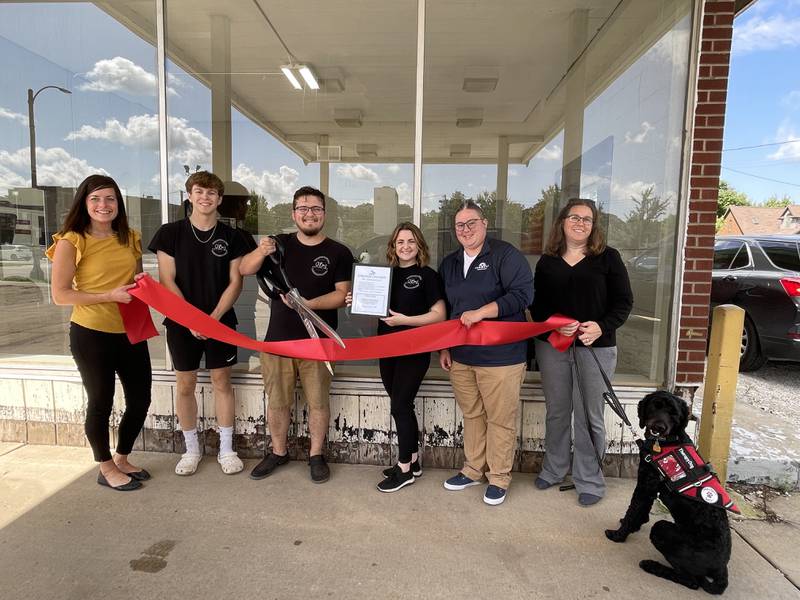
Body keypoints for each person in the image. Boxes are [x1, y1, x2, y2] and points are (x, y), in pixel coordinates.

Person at [240, 186, 353, 484]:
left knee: (318, 402)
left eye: (316, 209)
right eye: (303, 208)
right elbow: (244, 268)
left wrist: (308, 305)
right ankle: (278, 452)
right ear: (293, 214)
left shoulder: (339, 252)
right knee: (277, 401)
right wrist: (261, 250)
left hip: (319, 341)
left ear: (324, 215)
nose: (309, 214)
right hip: (278, 341)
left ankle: (316, 455)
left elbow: (342, 296)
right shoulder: (279, 244)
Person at [47, 174, 151, 491]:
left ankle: (121, 457)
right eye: (96, 199)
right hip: (91, 333)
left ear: (118, 204)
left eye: (110, 199)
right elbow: (60, 295)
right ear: (85, 203)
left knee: (140, 399)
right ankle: (104, 466)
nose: (103, 205)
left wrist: (145, 287)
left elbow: (134, 281)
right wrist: (108, 296)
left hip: (130, 329)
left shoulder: (130, 237)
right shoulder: (71, 241)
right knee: (101, 402)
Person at [531, 198, 632, 506]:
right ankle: (555, 467)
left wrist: (601, 326)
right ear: (563, 222)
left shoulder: (608, 258)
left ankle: (589, 478)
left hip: (595, 348)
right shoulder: (547, 262)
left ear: (593, 226)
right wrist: (551, 325)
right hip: (554, 347)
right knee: (558, 410)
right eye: (574, 217)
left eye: (587, 219)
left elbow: (624, 303)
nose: (580, 223)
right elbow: (537, 307)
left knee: (590, 415)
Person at [148, 171, 249, 477]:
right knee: (185, 384)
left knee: (222, 382)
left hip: (221, 320)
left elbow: (236, 282)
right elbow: (166, 280)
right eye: (199, 191)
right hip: (181, 322)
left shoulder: (232, 237)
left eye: (212, 193)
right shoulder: (170, 233)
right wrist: (192, 319)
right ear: (189, 195)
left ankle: (226, 449)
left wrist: (212, 320)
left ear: (219, 200)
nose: (205, 197)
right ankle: (191, 449)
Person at [438, 201, 533, 506]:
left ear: (485, 223)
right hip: (462, 357)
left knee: (500, 419)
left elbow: (522, 295)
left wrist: (482, 312)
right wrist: (444, 345)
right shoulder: (450, 263)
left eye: (471, 223)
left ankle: (500, 477)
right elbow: (446, 310)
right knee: (473, 415)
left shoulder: (505, 255)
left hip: (501, 357)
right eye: (459, 225)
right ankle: (473, 469)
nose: (465, 230)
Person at [346, 223, 446, 492]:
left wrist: (406, 320)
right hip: (386, 348)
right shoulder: (383, 275)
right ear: (393, 246)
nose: (405, 246)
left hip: (414, 350)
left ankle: (404, 470)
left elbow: (439, 315)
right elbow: (372, 304)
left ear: (419, 245)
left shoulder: (427, 275)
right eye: (400, 242)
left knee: (400, 406)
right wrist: (356, 299)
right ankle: (413, 461)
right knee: (402, 404)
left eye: (411, 241)